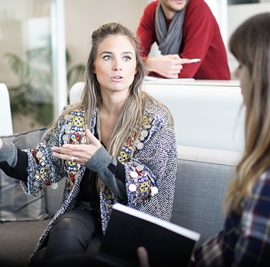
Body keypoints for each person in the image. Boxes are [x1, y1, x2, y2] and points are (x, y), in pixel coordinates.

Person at [0, 22, 177, 266]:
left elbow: (146, 189)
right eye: (107, 57)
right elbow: (38, 167)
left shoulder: (156, 120)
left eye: (126, 58)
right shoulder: (75, 117)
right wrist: (1, 149)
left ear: (136, 67)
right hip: (84, 212)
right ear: (94, 66)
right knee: (64, 234)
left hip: (131, 219)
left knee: (44, 259)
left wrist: (101, 161)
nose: (117, 66)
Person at [137, 12, 270, 266]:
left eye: (242, 65)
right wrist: (151, 63)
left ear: (262, 76)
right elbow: (229, 242)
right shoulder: (151, 13)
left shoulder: (265, 182)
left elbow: (185, 70)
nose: (236, 74)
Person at [137, 0, 230, 80]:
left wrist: (144, 67)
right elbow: (132, 57)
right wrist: (151, 64)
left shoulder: (198, 8)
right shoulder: (151, 12)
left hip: (213, 87)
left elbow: (186, 72)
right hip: (178, 87)